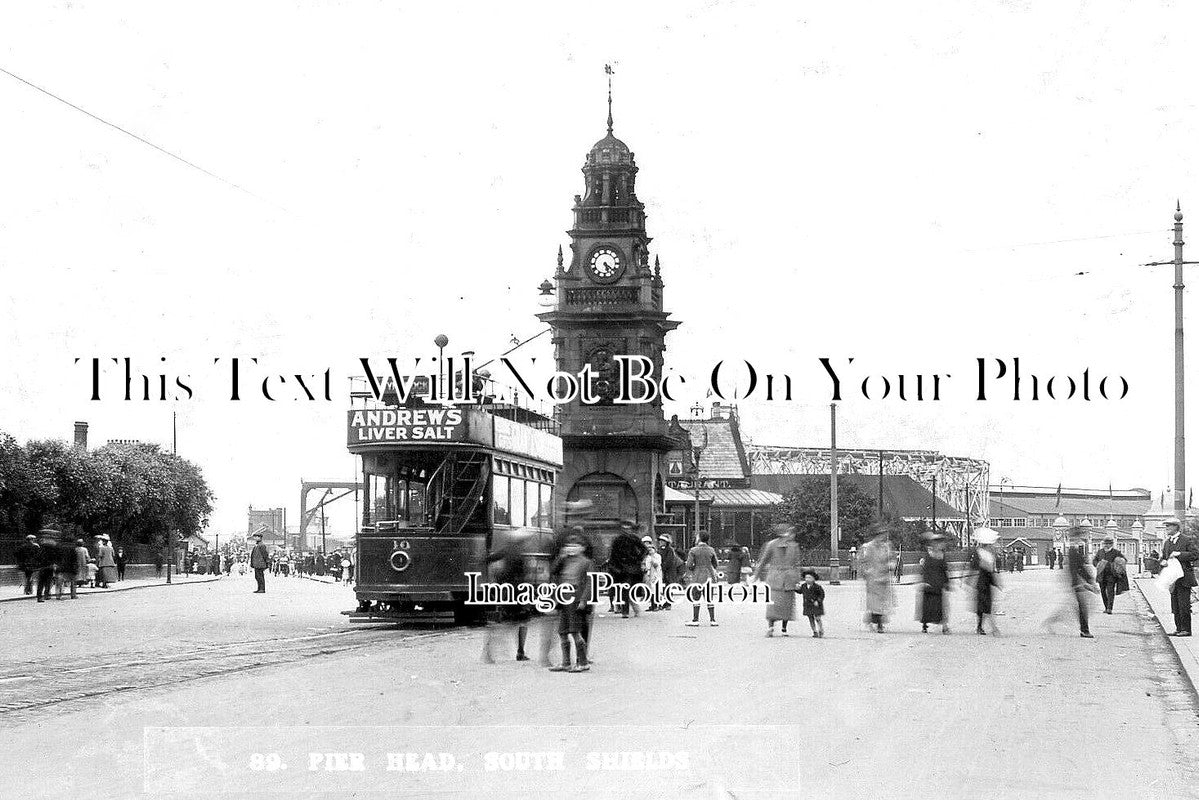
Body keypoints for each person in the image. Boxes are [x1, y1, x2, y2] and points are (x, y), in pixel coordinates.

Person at [483, 534, 534, 663]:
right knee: (521, 622)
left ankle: (489, 652)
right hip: (518, 592)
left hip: (507, 591)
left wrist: (497, 577)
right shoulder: (520, 554)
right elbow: (523, 575)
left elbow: (488, 559)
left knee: (506, 622)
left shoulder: (506, 550)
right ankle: (520, 652)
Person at [548, 532, 593, 673]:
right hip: (563, 598)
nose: (571, 549)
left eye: (575, 546)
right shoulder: (564, 560)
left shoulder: (587, 562)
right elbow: (553, 571)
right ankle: (566, 662)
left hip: (576, 600)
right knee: (562, 631)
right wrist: (561, 556)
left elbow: (590, 583)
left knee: (575, 632)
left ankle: (583, 662)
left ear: (582, 548)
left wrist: (584, 600)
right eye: (568, 546)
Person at [1041, 526, 1097, 637]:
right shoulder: (1072, 550)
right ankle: (1084, 630)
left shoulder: (1074, 548)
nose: (1081, 537)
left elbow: (1080, 567)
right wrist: (1082, 583)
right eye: (1080, 535)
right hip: (1077, 583)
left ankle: (1052, 622)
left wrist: (1090, 581)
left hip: (1077, 582)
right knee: (1082, 607)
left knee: (1076, 607)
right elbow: (1076, 568)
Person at [754, 524, 801, 637]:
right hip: (777, 578)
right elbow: (763, 561)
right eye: (790, 533)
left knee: (787, 604)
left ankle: (784, 628)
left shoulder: (794, 546)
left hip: (787, 579)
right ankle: (771, 627)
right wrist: (756, 575)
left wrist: (798, 580)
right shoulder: (772, 545)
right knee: (773, 605)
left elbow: (797, 564)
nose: (792, 536)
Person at [1160, 517, 1198, 636]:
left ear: (1176, 527)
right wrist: (1162, 562)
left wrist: (1180, 554)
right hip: (1172, 578)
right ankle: (1178, 628)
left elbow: (1195, 554)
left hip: (1185, 577)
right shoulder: (1167, 542)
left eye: (1169, 526)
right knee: (1175, 605)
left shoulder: (1186, 540)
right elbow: (1163, 558)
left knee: (1184, 604)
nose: (1167, 528)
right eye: (1166, 526)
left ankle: (1186, 629)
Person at [859, 526, 895, 633]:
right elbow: (862, 560)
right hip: (873, 578)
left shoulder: (886, 547)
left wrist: (891, 564)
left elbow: (891, 558)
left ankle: (877, 622)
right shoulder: (868, 547)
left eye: (883, 535)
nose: (882, 537)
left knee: (882, 602)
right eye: (880, 535)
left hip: (883, 577)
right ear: (876, 536)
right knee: (874, 603)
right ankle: (878, 624)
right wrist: (866, 571)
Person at [608, 522, 647, 618]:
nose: (626, 530)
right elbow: (613, 554)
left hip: (631, 568)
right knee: (623, 589)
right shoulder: (617, 540)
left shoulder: (634, 538)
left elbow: (644, 549)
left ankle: (626, 611)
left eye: (628, 528)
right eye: (624, 528)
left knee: (626, 589)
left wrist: (638, 558)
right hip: (620, 568)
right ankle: (629, 609)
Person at [917, 533, 951, 634]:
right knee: (927, 607)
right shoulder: (928, 554)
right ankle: (925, 625)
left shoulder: (941, 554)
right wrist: (924, 581)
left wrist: (947, 582)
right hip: (929, 583)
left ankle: (944, 626)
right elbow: (924, 570)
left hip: (939, 583)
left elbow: (945, 569)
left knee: (940, 607)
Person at [970, 527, 1002, 635]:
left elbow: (992, 570)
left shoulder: (989, 554)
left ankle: (980, 627)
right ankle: (993, 628)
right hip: (981, 582)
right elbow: (977, 568)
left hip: (987, 582)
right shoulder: (979, 554)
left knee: (984, 606)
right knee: (986, 606)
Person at [684, 531, 720, 627]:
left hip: (697, 576)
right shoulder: (711, 549)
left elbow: (689, 564)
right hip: (709, 576)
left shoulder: (693, 550)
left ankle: (695, 620)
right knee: (709, 598)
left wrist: (693, 569)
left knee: (696, 598)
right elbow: (716, 564)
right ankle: (712, 620)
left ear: (699, 538)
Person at [1092, 535, 1128, 614]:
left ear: (1111, 544)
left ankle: (1109, 608)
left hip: (1111, 575)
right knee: (1103, 591)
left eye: (1108, 543)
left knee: (1110, 591)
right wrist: (1098, 564)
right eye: (1105, 543)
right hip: (1101, 575)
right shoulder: (1100, 552)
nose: (1106, 545)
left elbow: (1124, 560)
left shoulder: (1116, 552)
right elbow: (1094, 560)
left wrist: (1116, 564)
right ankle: (1106, 607)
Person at [796, 569, 825, 638]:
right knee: (810, 618)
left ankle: (820, 629)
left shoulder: (817, 587)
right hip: (807, 605)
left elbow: (822, 594)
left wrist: (818, 601)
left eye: (809, 578)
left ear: (814, 579)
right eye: (806, 578)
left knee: (817, 618)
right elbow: (800, 591)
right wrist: (796, 589)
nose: (807, 579)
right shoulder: (803, 586)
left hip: (816, 605)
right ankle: (814, 631)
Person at [658, 534, 683, 610]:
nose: (660, 542)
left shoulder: (669, 550)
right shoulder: (661, 549)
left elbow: (669, 561)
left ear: (666, 542)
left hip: (669, 571)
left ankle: (668, 603)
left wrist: (662, 567)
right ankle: (666, 603)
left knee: (668, 586)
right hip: (664, 570)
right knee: (665, 587)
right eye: (660, 541)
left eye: (662, 541)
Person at [34, 530, 60, 603]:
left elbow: (37, 557)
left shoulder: (41, 548)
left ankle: (39, 596)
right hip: (50, 566)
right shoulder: (53, 548)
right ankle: (47, 594)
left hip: (42, 566)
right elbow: (56, 557)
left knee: (41, 582)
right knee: (48, 581)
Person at [640, 534, 662, 610]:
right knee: (650, 590)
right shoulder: (647, 557)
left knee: (655, 590)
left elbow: (656, 564)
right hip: (649, 575)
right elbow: (644, 564)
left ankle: (655, 605)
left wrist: (652, 557)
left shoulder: (657, 556)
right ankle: (653, 605)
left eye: (651, 549)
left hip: (656, 575)